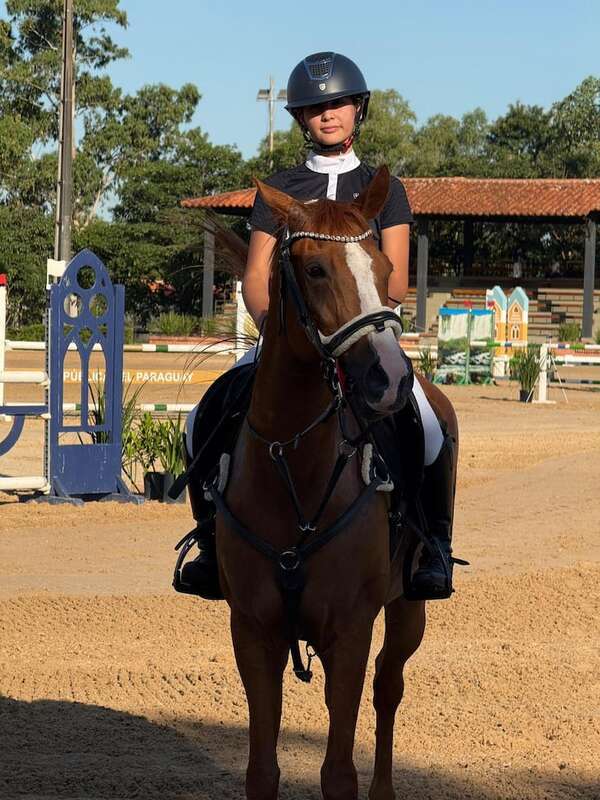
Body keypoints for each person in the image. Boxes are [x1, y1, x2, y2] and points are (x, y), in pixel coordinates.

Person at [178, 52, 457, 600]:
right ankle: (212, 546)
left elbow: (394, 278)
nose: (329, 114)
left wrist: (356, 328)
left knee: (428, 422)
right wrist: (275, 332)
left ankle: (432, 546)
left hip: (364, 337)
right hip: (288, 340)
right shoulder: (280, 191)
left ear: (358, 109)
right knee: (200, 419)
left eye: (338, 103)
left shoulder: (383, 189)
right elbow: (256, 277)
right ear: (302, 118)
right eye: (315, 107)